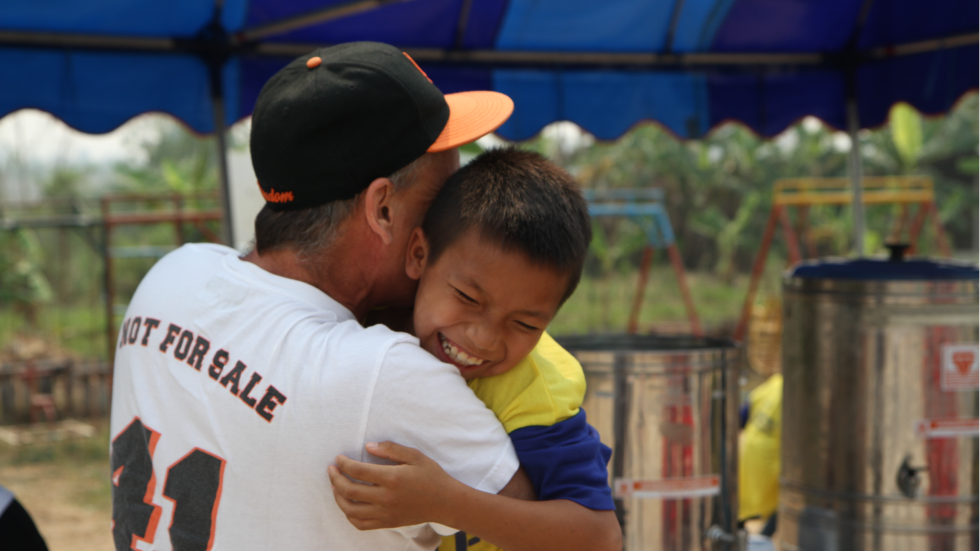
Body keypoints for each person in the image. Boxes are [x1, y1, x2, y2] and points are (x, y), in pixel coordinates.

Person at [109, 41, 526, 551]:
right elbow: (561, 532)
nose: (454, 224)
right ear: (383, 209)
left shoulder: (170, 276)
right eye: (442, 202)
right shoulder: (385, 374)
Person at [329, 148, 621, 551]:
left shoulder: (535, 394)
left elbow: (600, 539)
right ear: (419, 255)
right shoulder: (362, 325)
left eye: (525, 324)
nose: (484, 339)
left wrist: (446, 504)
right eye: (468, 297)